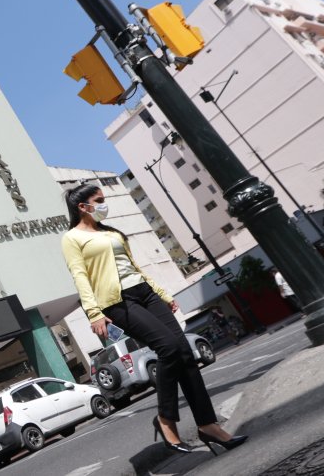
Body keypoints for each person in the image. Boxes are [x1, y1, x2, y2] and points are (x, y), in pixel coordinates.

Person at [61, 183, 247, 455]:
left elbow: (134, 267)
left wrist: (162, 293)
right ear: (82, 206)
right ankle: (165, 418)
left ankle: (208, 425)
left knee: (184, 352)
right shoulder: (72, 238)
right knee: (168, 348)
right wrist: (93, 312)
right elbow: (80, 276)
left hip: (145, 293)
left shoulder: (111, 232)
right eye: (98, 200)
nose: (104, 204)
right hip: (117, 301)